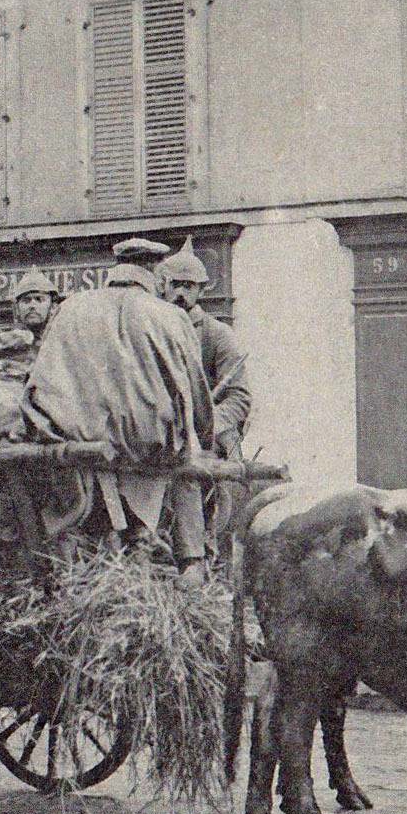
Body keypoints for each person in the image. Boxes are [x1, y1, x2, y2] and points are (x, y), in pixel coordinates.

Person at [21, 238, 212, 569]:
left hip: (79, 446)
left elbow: (39, 383)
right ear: (157, 276)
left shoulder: (71, 308)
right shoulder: (170, 316)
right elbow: (196, 397)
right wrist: (203, 441)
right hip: (147, 449)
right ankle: (192, 560)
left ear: (116, 269)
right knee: (189, 464)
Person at [159, 240, 250, 580]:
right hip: (161, 437)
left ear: (201, 290)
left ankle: (195, 560)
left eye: (189, 286)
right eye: (175, 285)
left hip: (206, 443)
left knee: (190, 476)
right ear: (163, 287)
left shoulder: (217, 335)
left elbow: (239, 398)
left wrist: (206, 428)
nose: (180, 293)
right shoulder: (155, 331)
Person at [12, 270, 62, 343]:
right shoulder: (9, 344)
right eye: (26, 300)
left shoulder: (62, 342)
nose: (32, 306)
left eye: (39, 299)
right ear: (17, 309)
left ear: (53, 307)